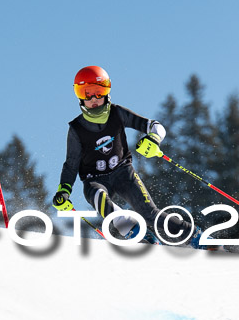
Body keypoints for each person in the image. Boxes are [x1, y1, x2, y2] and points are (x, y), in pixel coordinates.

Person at [51, 65, 206, 248]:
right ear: (79, 96)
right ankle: (139, 234)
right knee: (101, 199)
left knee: (150, 214)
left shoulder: (117, 113)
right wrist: (64, 191)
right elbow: (71, 165)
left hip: (123, 173)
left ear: (107, 92)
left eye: (98, 92)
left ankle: (197, 237)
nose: (93, 99)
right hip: (94, 180)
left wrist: (154, 139)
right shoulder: (76, 129)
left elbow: (155, 126)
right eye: (86, 93)